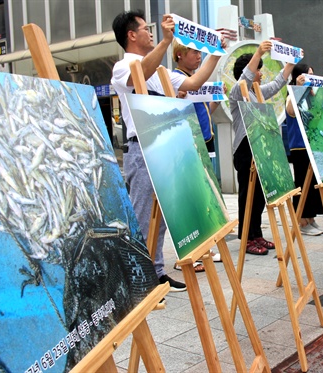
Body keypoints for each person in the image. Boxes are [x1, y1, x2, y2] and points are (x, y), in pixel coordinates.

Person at [110, 10, 224, 292]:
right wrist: (166, 41)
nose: (150, 32)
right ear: (131, 35)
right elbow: (138, 74)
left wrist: (217, 53)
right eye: (145, 29)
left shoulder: (161, 71)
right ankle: (139, 279)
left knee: (161, 218)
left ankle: (157, 271)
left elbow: (193, 84)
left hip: (166, 147)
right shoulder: (123, 67)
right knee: (143, 216)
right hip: (142, 149)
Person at [229, 40, 296, 255]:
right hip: (244, 150)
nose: (260, 73)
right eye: (258, 69)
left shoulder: (257, 92)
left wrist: (291, 63)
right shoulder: (237, 92)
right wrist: (259, 52)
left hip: (259, 148)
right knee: (247, 196)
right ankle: (246, 238)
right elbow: (245, 79)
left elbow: (278, 84)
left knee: (258, 195)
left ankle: (256, 234)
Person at [171, 41, 225, 268]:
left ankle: (206, 248)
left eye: (200, 52)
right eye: (194, 52)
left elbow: (205, 112)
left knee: (205, 195)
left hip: (205, 140)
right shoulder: (176, 79)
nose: (198, 56)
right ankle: (192, 252)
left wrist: (213, 101)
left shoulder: (198, 82)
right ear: (179, 55)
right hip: (188, 143)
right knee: (191, 197)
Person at [285, 62, 323, 236]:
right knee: (302, 182)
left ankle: (310, 218)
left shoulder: (311, 96)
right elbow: (290, 110)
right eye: (307, 75)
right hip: (299, 147)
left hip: (313, 145)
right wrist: (298, 89)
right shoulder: (291, 95)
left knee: (313, 185)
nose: (310, 78)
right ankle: (301, 221)